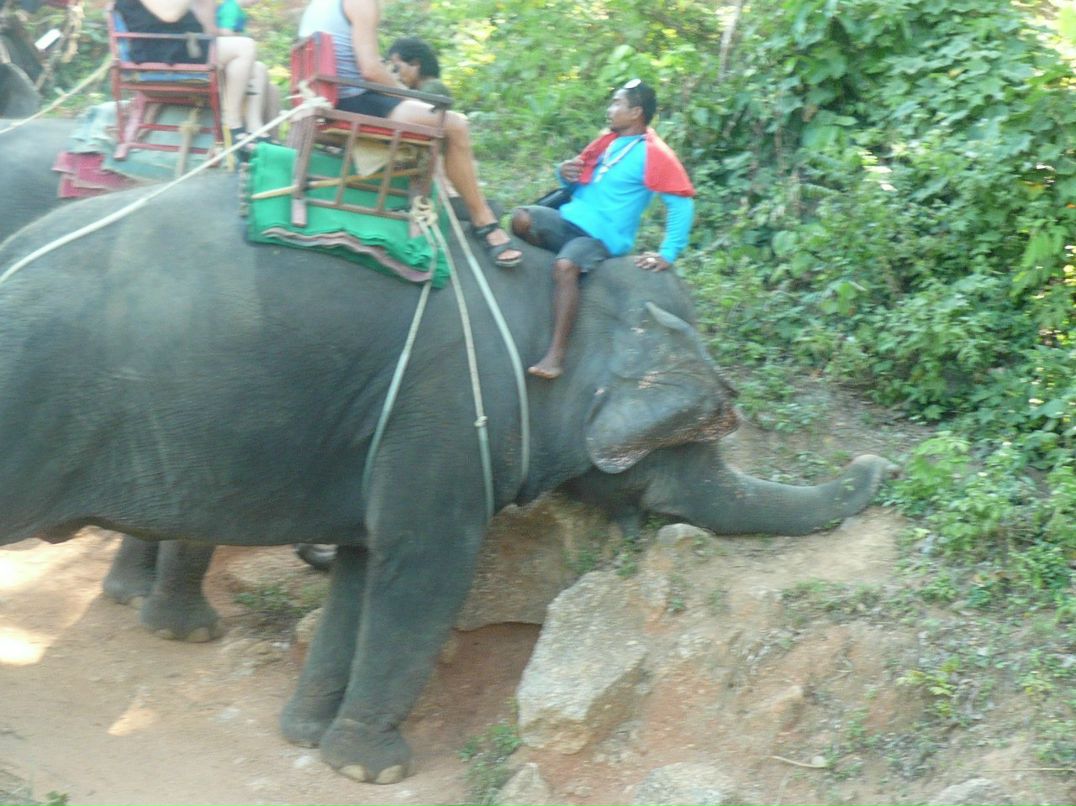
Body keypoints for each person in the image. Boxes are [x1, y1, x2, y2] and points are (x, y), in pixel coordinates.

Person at [298, 0, 521, 268]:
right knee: (455, 125)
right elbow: (370, 69)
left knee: (427, 115)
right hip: (353, 99)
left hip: (327, 98)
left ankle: (431, 193)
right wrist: (410, 95)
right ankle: (483, 221)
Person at [510, 79, 695, 380]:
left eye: (617, 104)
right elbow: (577, 180)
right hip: (569, 219)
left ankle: (555, 355)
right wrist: (565, 173)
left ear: (635, 112)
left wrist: (668, 252)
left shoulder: (655, 153)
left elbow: (682, 203)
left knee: (567, 265)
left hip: (601, 237)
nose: (610, 110)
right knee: (521, 219)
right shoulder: (606, 142)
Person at [114, 0, 268, 146]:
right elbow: (169, 14)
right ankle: (232, 125)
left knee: (258, 70)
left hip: (185, 46)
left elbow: (210, 30)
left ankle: (255, 131)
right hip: (161, 53)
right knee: (245, 47)